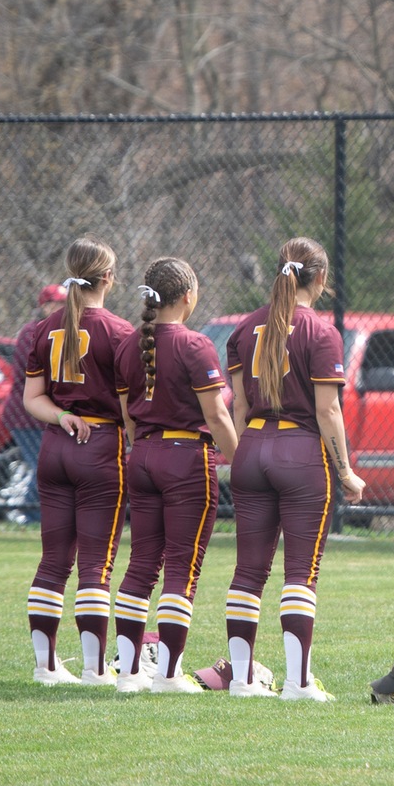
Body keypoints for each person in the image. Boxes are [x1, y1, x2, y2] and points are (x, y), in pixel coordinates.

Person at [202, 238, 365, 700]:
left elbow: (239, 411)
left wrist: (244, 459)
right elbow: (328, 412)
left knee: (247, 571)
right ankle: (298, 683)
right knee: (300, 573)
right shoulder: (321, 331)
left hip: (251, 449)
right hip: (301, 454)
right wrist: (347, 472)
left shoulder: (243, 329)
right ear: (320, 280)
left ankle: (243, 681)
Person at [110, 257, 242, 693]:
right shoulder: (195, 344)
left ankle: (129, 674)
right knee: (181, 571)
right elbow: (218, 417)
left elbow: (129, 418)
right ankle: (168, 676)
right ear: (188, 296)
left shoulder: (129, 345)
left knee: (140, 566)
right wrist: (241, 463)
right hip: (186, 459)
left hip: (142, 454)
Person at [15, 240, 133, 686]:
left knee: (53, 561)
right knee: (96, 565)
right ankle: (94, 668)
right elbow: (128, 407)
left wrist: (63, 415)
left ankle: (45, 667)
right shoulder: (120, 331)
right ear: (107, 279)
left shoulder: (44, 329)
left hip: (54, 446)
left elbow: (32, 399)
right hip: (100, 448)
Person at [3, 283, 65, 525]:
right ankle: (30, 516)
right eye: (55, 303)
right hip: (26, 416)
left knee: (51, 466)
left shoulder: (63, 330)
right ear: (44, 306)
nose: (60, 308)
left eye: (63, 303)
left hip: (47, 414)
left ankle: (32, 514)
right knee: (45, 466)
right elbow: (36, 372)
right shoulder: (32, 332)